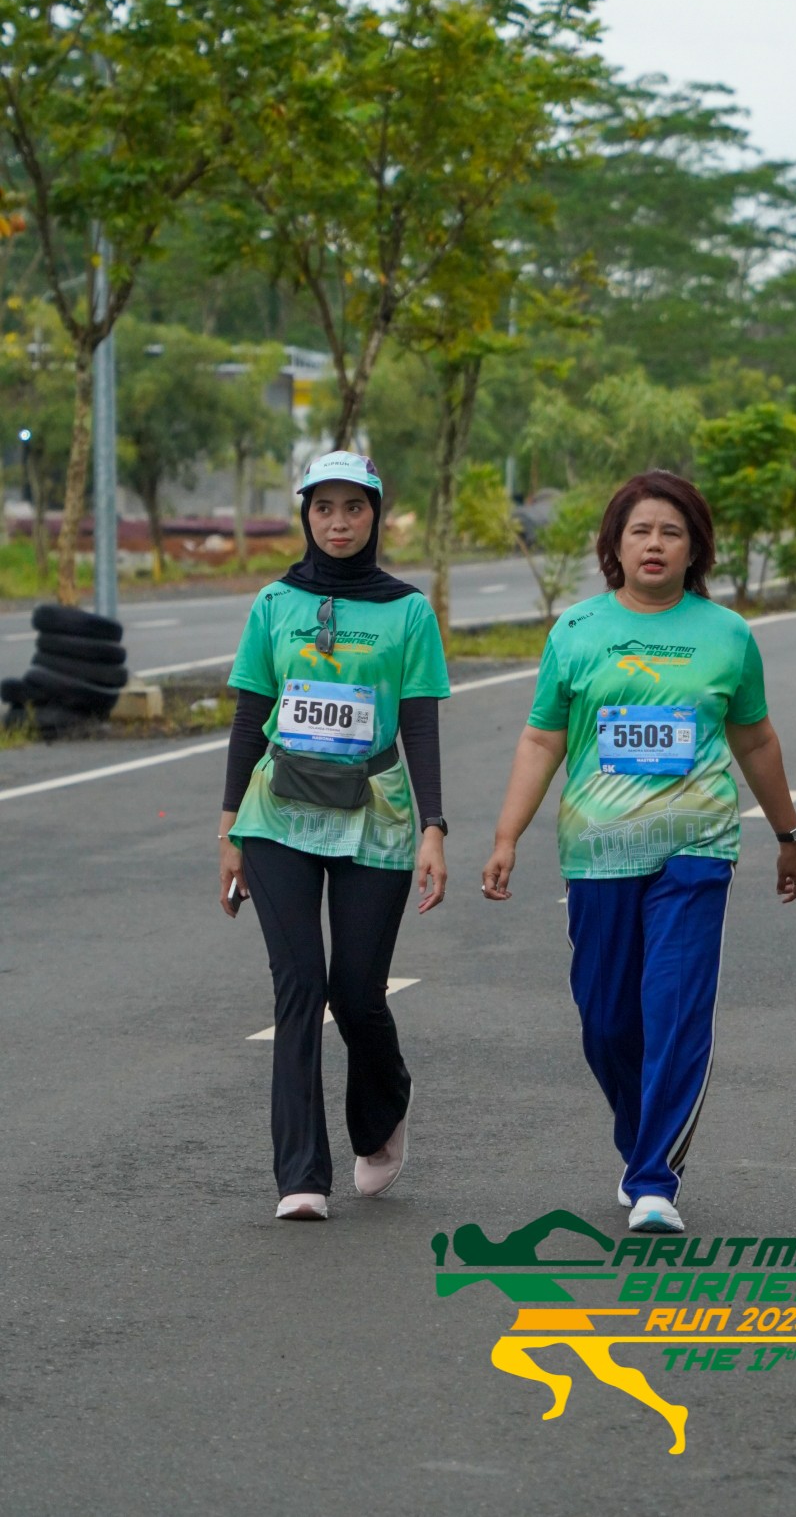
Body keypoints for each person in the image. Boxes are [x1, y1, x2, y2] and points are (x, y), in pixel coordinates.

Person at [480, 471, 796, 1235]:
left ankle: (657, 1176)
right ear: (615, 545)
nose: (655, 544)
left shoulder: (727, 635)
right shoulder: (576, 630)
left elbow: (756, 739)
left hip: (696, 848)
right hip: (598, 853)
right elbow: (542, 739)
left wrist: (788, 835)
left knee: (674, 1006)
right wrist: (506, 837)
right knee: (607, 1022)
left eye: (671, 532)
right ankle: (641, 1139)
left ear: (695, 549)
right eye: (640, 531)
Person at [217, 450, 450, 1221]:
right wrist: (229, 831)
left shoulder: (408, 611)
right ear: (306, 515)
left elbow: (419, 723)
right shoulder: (274, 603)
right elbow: (251, 716)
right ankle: (301, 1177)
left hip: (377, 815)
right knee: (299, 984)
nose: (339, 522)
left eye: (354, 507)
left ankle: (383, 1110)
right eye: (324, 507)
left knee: (354, 991)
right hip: (277, 813)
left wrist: (434, 827)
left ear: (375, 515)